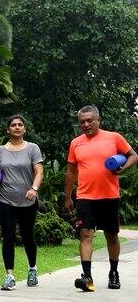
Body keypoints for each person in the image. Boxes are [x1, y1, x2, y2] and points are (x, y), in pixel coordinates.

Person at [64, 105, 138, 292]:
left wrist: (124, 167)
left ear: (99, 120)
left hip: (109, 196)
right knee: (86, 234)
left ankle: (114, 273)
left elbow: (133, 156)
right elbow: (71, 171)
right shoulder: (76, 143)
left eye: (90, 121)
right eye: (82, 122)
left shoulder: (114, 138)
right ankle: (87, 277)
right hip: (85, 197)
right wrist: (68, 197)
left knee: (112, 236)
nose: (86, 124)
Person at [0, 114, 44, 291]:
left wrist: (34, 189)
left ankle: (32, 269)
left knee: (28, 237)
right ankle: (10, 276)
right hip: (5, 200)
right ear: (8, 130)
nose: (17, 127)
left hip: (28, 201)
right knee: (8, 237)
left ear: (24, 129)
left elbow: (39, 172)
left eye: (20, 124)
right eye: (13, 124)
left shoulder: (32, 148)